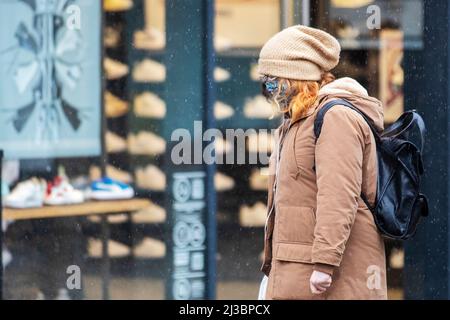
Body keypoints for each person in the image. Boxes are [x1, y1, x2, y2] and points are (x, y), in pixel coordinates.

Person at [258, 25, 387, 300]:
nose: (269, 90)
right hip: (296, 265)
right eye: (265, 82)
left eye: (274, 80)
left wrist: (324, 264)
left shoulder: (335, 117)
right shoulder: (295, 121)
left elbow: (339, 196)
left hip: (326, 274)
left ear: (298, 77)